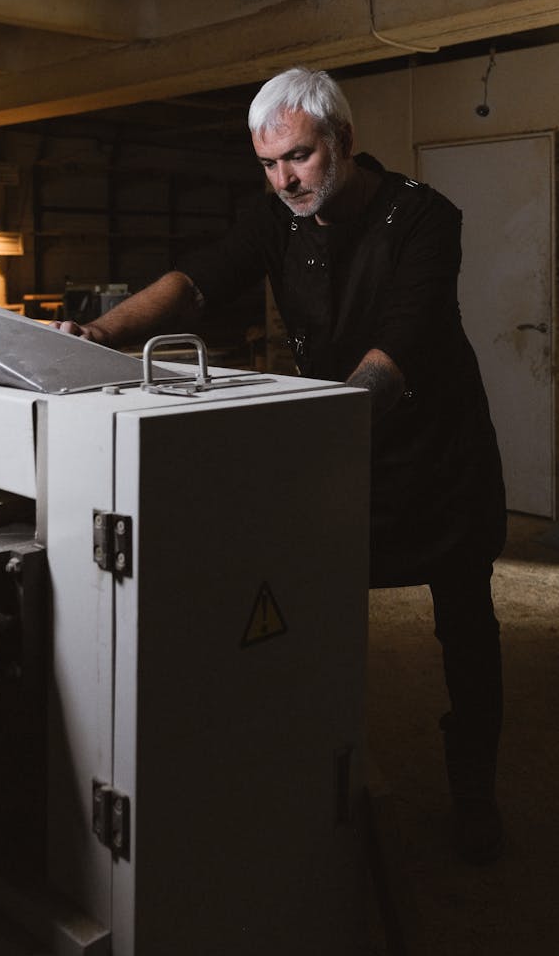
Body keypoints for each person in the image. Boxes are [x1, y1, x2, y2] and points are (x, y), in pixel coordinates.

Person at [57, 67, 507, 864]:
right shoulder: (276, 216)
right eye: (267, 163)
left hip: (435, 457)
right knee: (306, 603)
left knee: (464, 626)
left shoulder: (424, 218)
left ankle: (477, 795)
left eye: (298, 157)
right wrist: (98, 334)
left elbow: (392, 354)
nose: (284, 179)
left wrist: (303, 445)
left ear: (345, 141)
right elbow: (197, 281)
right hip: (342, 442)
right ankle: (311, 771)